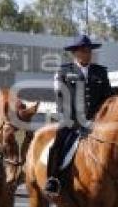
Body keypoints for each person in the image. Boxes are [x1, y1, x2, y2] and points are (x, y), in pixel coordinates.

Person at [45, 34, 113, 197]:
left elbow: (108, 99)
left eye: (89, 50)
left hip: (96, 123)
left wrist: (99, 120)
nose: (87, 54)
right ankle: (53, 178)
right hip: (71, 121)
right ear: (75, 53)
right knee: (59, 143)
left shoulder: (100, 72)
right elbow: (61, 100)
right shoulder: (64, 72)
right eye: (83, 51)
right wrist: (75, 122)